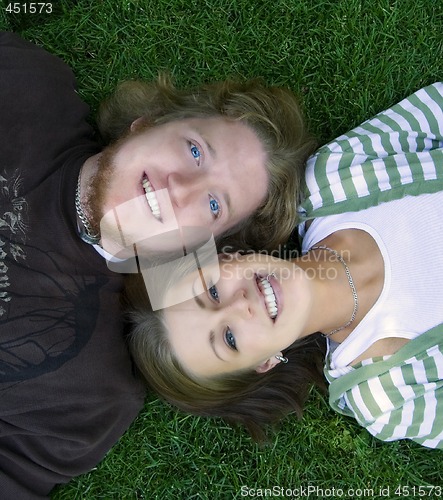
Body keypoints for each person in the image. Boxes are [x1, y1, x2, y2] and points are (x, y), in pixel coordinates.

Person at [0, 31, 316, 498]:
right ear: (145, 123)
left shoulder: (88, 391)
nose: (180, 187)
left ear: (204, 247)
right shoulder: (27, 82)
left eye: (213, 205)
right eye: (194, 150)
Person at [125, 82, 443, 449]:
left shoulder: (336, 180)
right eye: (229, 338)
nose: (238, 305)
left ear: (224, 257)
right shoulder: (384, 396)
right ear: (265, 363)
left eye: (211, 290)